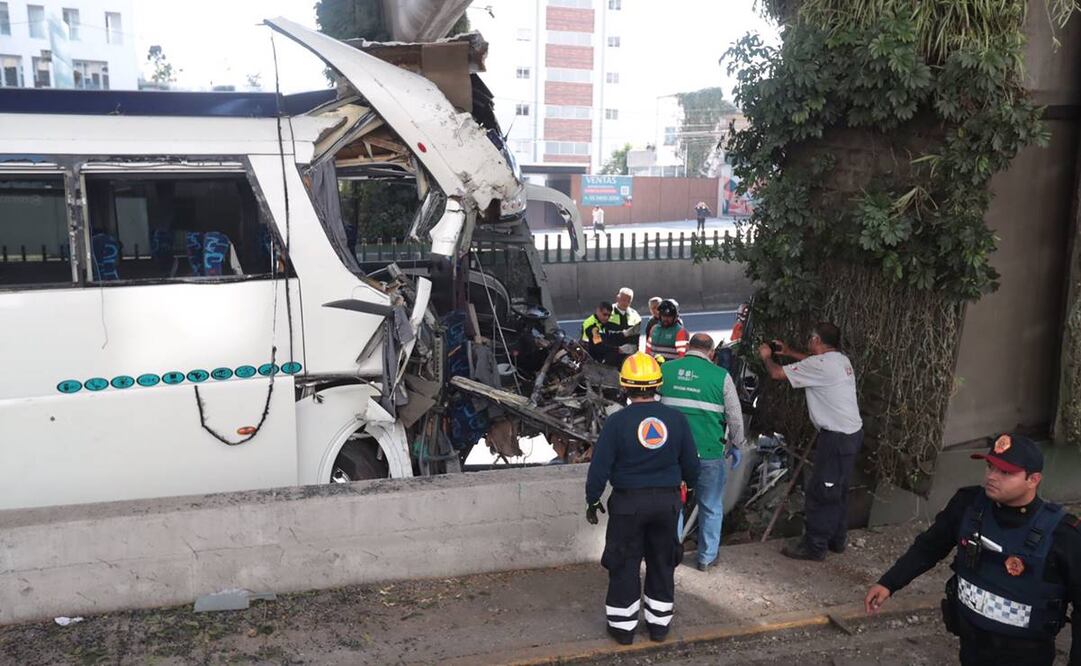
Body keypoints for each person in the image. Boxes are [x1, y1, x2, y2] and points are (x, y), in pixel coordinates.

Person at [864, 434, 1081, 666]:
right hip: (971, 647)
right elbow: (929, 547)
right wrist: (889, 583)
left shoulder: (1062, 534)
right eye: (990, 467)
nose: (991, 477)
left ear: (1033, 479)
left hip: (1026, 655)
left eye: (1005, 472)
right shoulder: (968, 505)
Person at [586, 352, 700, 645]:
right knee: (662, 561)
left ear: (625, 386)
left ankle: (623, 630)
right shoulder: (676, 419)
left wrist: (592, 498)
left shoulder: (617, 422)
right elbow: (691, 465)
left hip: (628, 505)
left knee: (624, 562)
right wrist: (690, 491)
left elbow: (600, 467)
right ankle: (659, 626)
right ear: (658, 384)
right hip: (667, 504)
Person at [757, 321, 863, 561]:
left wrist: (767, 357)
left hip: (836, 438)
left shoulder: (820, 365)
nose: (808, 342)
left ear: (816, 340)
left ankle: (814, 547)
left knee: (821, 492)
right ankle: (837, 540)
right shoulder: (840, 360)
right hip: (851, 434)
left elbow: (776, 373)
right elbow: (812, 362)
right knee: (838, 489)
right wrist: (790, 352)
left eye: (810, 339)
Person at [659, 333, 744, 572]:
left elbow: (652, 408)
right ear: (711, 353)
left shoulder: (667, 370)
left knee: (672, 503)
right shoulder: (721, 376)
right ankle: (706, 558)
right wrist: (737, 444)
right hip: (708, 452)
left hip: (671, 453)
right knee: (710, 505)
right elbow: (735, 418)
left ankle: (670, 555)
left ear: (688, 348)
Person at [581, 301, 619, 365]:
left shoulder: (601, 322)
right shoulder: (591, 325)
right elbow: (598, 346)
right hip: (590, 358)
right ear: (598, 311)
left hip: (598, 354)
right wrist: (617, 349)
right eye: (605, 314)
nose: (607, 318)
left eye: (609, 315)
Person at [610, 287, 643, 361]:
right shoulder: (607, 313)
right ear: (617, 298)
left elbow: (636, 339)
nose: (626, 303)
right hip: (611, 357)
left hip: (629, 358)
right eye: (624, 300)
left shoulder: (635, 316)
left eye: (629, 301)